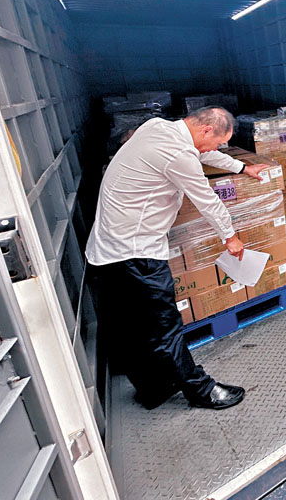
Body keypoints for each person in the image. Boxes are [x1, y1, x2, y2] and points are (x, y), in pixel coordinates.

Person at [86, 106, 270, 410]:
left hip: (108, 249)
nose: (215, 149)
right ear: (206, 130)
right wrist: (230, 237)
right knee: (164, 325)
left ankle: (153, 390)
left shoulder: (157, 127)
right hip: (136, 252)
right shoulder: (179, 153)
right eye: (217, 142)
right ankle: (201, 391)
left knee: (137, 327)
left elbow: (204, 153)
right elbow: (207, 200)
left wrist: (241, 167)